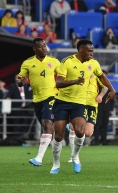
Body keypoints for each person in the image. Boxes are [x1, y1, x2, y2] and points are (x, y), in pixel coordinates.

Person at [50, 39, 116, 174]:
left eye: (92, 50)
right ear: (81, 50)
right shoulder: (67, 61)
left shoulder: (94, 63)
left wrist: (111, 89)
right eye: (89, 51)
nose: (92, 53)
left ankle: (75, 156)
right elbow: (59, 83)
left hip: (79, 103)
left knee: (81, 131)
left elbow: (102, 76)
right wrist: (75, 81)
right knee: (58, 135)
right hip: (62, 102)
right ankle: (56, 163)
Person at [16, 38, 60, 166]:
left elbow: (63, 76)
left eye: (45, 46)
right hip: (37, 100)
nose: (44, 48)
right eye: (40, 47)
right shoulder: (28, 63)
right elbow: (19, 80)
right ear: (34, 49)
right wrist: (21, 81)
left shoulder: (54, 61)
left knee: (47, 125)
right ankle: (63, 123)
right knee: (48, 128)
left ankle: (39, 158)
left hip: (52, 97)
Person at [67, 73, 108, 161]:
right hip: (79, 103)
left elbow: (106, 87)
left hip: (92, 105)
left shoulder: (96, 71)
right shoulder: (77, 69)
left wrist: (100, 96)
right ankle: (73, 155)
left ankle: (75, 152)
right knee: (73, 127)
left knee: (88, 133)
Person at [94, 70, 115, 145]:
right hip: (98, 107)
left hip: (106, 108)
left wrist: (111, 109)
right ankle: (96, 140)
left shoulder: (109, 87)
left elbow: (112, 98)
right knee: (98, 124)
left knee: (105, 124)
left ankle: (103, 140)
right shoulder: (96, 85)